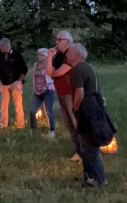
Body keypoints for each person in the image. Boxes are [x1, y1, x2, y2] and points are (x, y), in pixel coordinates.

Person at [68, 43, 114, 188]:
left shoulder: (77, 69)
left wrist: (75, 108)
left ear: (76, 54)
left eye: (69, 52)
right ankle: (89, 177)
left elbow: (79, 92)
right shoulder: (90, 67)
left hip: (86, 110)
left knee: (88, 147)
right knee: (88, 145)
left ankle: (99, 179)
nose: (67, 55)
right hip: (95, 108)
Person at [47, 31, 81, 161]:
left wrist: (54, 72)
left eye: (59, 39)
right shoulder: (59, 56)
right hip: (61, 92)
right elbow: (50, 72)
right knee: (68, 123)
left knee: (75, 121)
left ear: (67, 41)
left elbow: (59, 72)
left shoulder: (73, 54)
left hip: (71, 92)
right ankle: (78, 148)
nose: (56, 42)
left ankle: (83, 150)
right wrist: (50, 57)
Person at [0, 38, 27, 129]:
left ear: (7, 46)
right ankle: (2, 124)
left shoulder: (16, 54)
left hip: (15, 82)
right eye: (0, 47)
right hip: (3, 82)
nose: (0, 49)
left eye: (2, 47)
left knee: (18, 103)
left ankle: (20, 124)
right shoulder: (0, 54)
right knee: (3, 104)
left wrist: (19, 81)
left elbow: (24, 69)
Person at [30, 48, 56, 138]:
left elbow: (54, 76)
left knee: (49, 111)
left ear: (46, 57)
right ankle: (33, 129)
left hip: (48, 89)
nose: (38, 56)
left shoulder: (50, 65)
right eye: (38, 54)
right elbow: (35, 78)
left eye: (41, 55)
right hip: (37, 90)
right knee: (32, 111)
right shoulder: (35, 65)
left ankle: (52, 131)